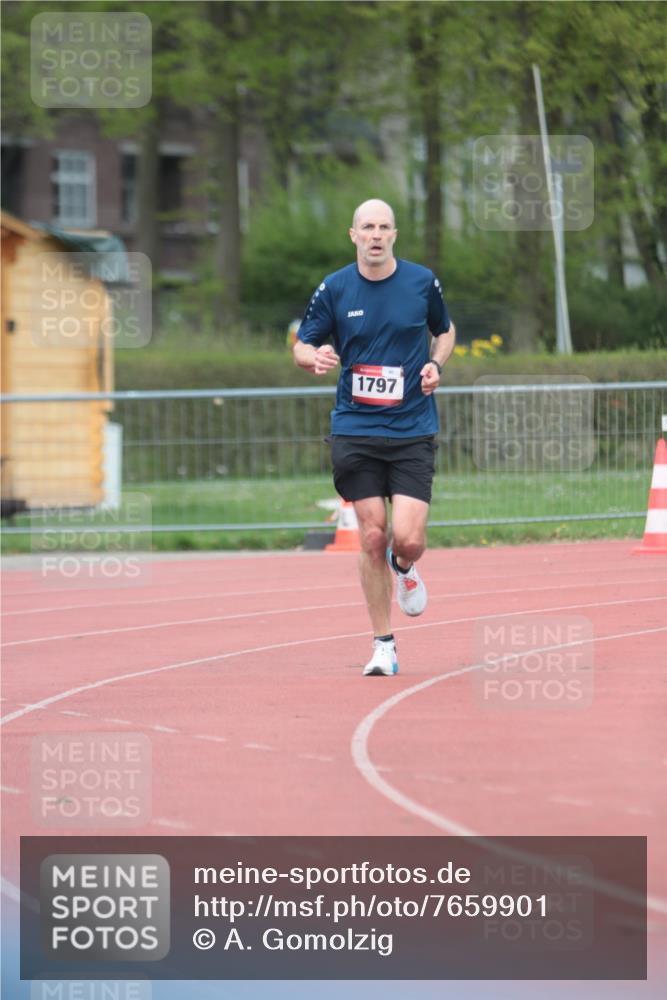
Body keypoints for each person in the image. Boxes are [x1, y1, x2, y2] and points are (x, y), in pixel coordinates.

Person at [293, 199, 455, 677]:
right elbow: (303, 343)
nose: (376, 235)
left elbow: (444, 332)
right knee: (372, 536)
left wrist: (436, 364)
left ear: (394, 235)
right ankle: (383, 644)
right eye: (368, 227)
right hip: (356, 428)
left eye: (384, 227)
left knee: (407, 538)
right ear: (354, 235)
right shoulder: (336, 288)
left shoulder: (421, 282)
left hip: (411, 428)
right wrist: (312, 359)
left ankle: (404, 569)